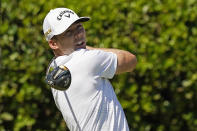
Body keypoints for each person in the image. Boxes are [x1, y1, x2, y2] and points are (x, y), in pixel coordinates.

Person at [43, 7, 137, 131]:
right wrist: (86, 48)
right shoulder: (87, 59)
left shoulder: (54, 70)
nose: (78, 35)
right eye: (69, 32)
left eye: (79, 27)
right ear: (53, 43)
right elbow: (130, 60)